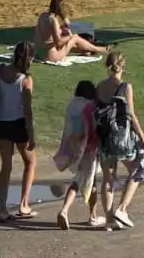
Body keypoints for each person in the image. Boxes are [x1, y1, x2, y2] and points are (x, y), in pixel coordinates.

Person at [96, 51, 144, 230]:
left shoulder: (100, 87)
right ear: (123, 67)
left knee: (107, 178)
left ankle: (109, 220)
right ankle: (122, 209)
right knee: (138, 168)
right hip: (122, 137)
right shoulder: (125, 87)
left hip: (103, 137)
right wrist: (142, 137)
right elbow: (131, 115)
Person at [0, 41, 38, 222]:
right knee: (31, 162)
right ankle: (23, 204)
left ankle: (3, 209)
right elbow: (27, 111)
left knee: (6, 167)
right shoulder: (26, 80)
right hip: (19, 124)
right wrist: (32, 134)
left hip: (1, 124)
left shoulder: (1, 70)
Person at [54, 80, 104, 230]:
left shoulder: (71, 106)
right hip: (89, 149)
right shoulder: (90, 107)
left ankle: (78, 213)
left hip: (75, 148)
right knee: (88, 181)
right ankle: (89, 216)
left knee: (83, 179)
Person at [34, 0, 106, 62]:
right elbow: (59, 43)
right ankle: (100, 49)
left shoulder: (43, 15)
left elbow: (50, 33)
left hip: (40, 53)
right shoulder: (53, 20)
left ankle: (86, 51)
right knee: (74, 37)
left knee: (70, 39)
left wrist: (63, 28)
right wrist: (70, 36)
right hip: (51, 57)